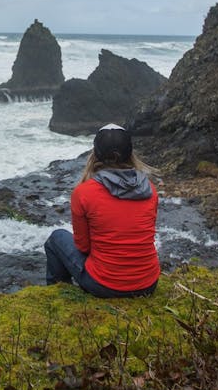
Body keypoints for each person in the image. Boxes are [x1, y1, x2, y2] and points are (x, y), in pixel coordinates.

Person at [44, 123, 159, 297]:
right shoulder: (149, 189)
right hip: (148, 284)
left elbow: (83, 246)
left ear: (95, 153)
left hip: (105, 286)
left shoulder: (83, 192)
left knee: (56, 238)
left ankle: (59, 294)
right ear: (130, 154)